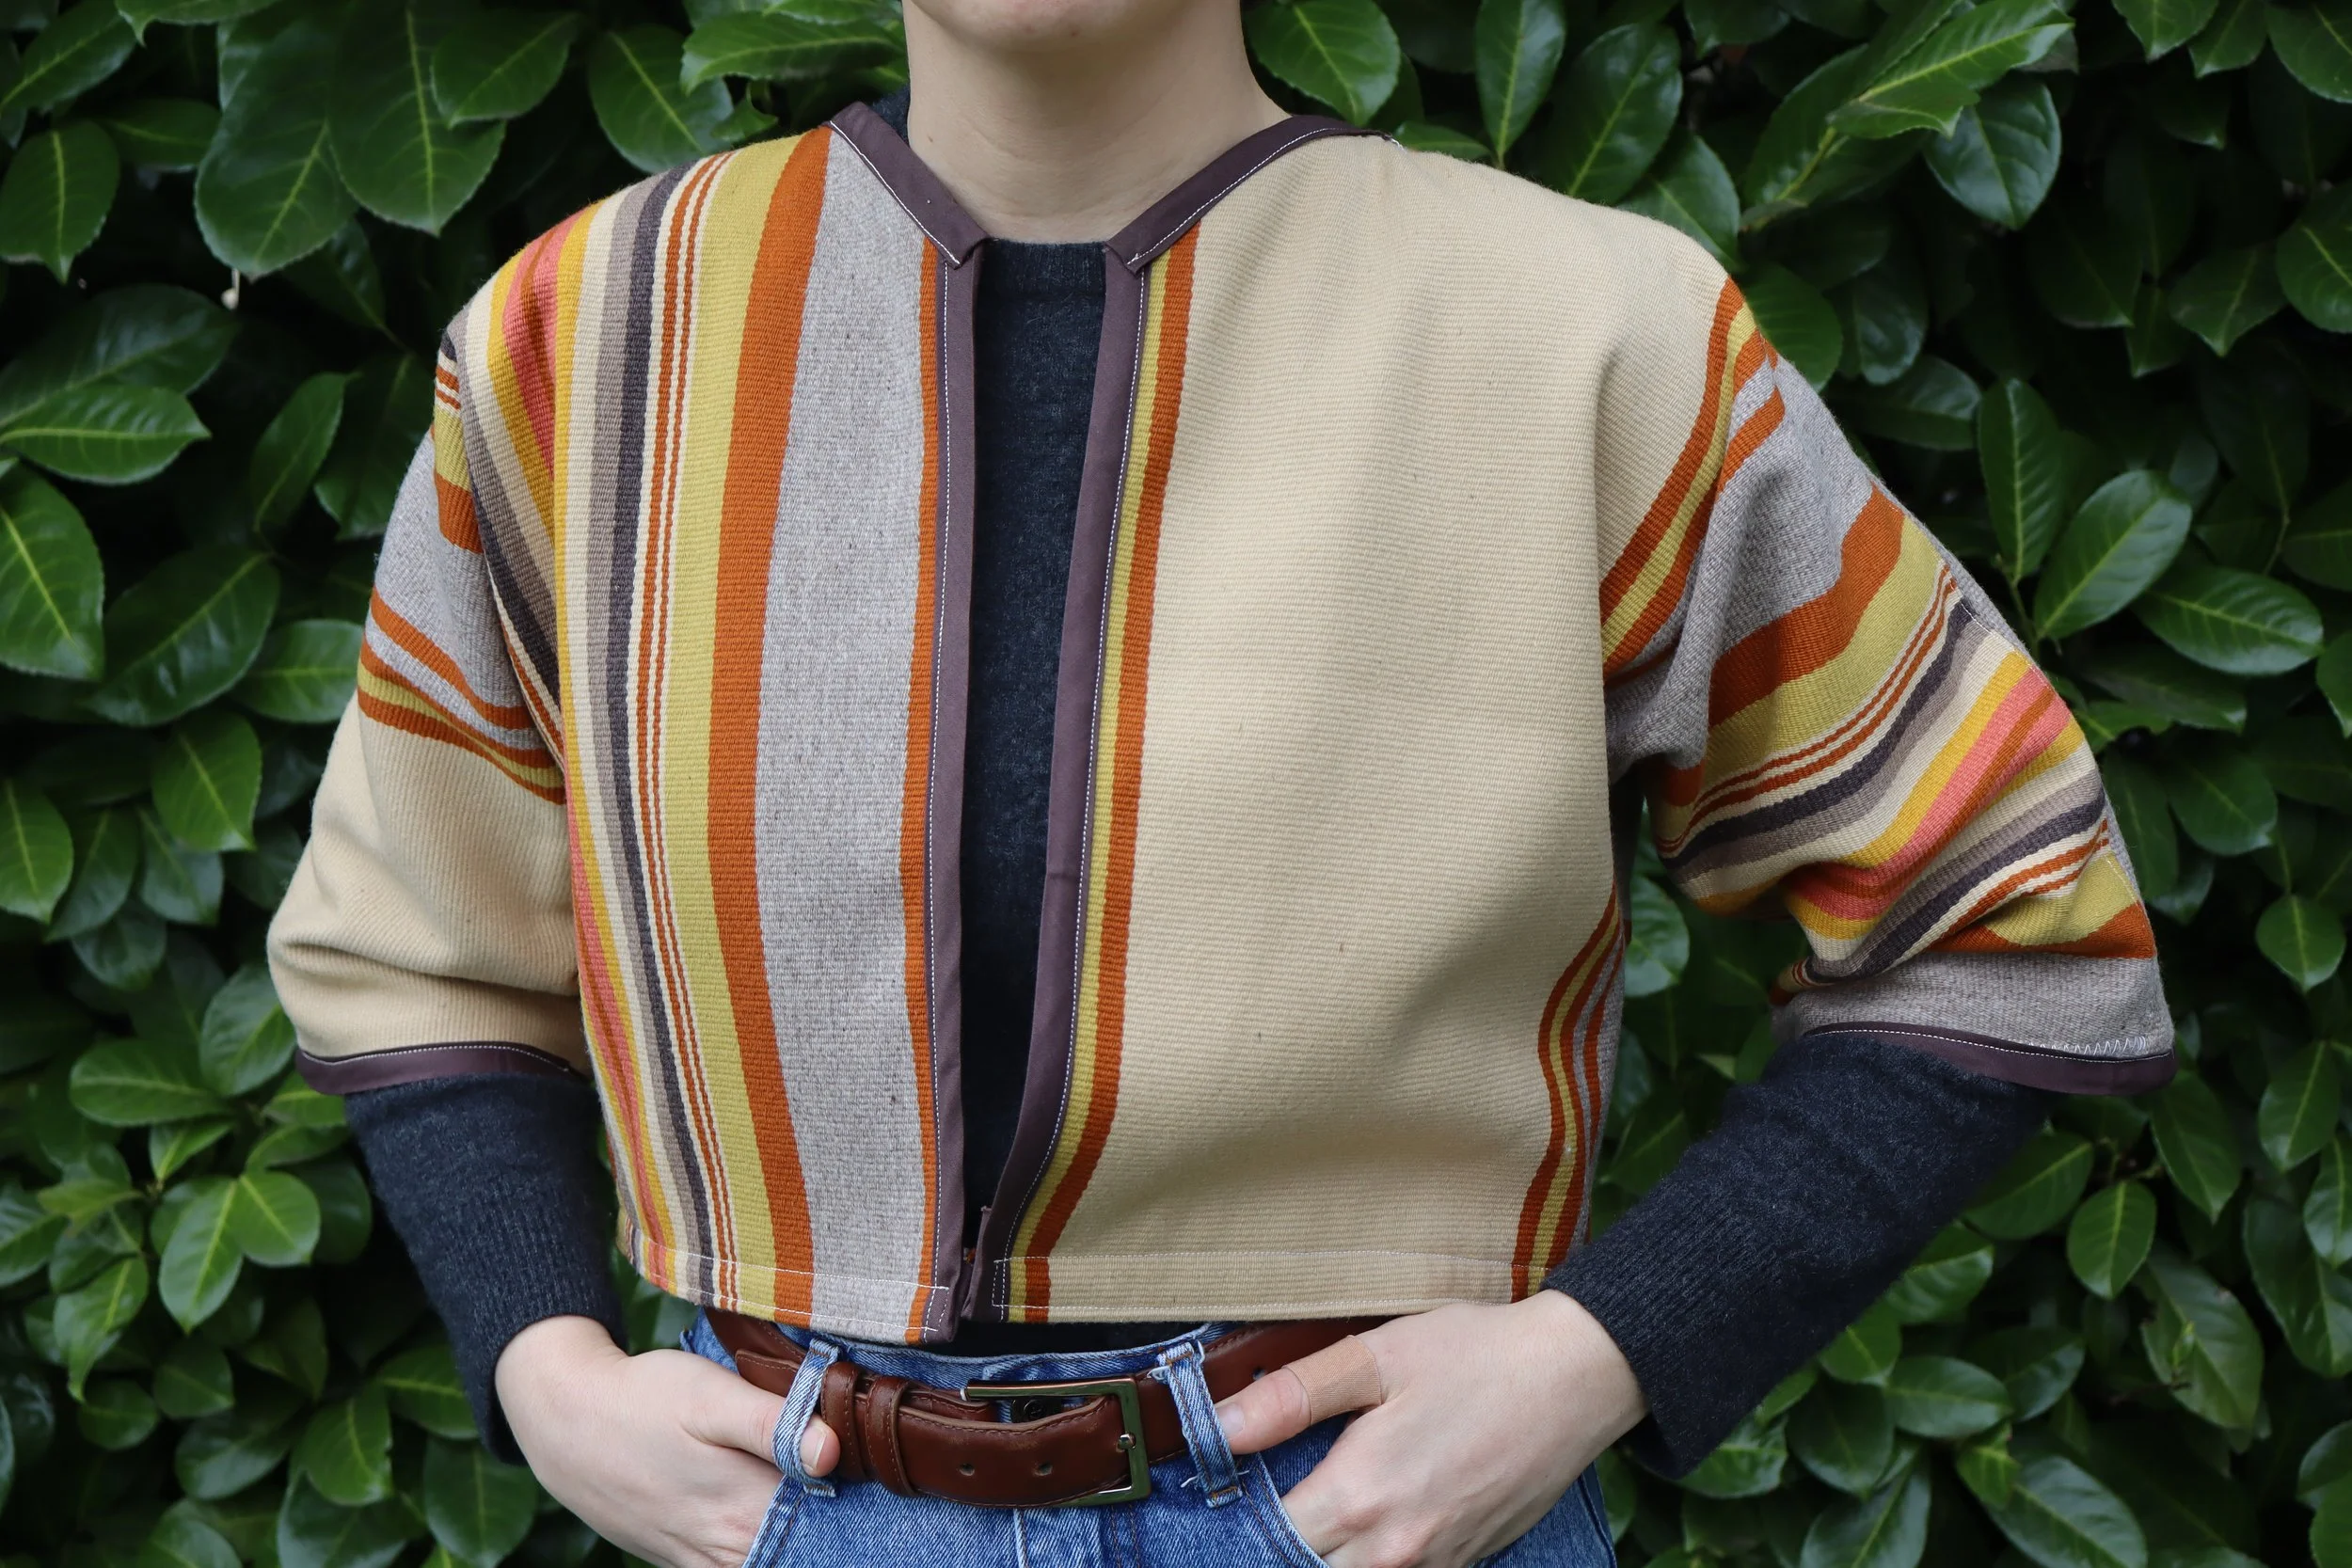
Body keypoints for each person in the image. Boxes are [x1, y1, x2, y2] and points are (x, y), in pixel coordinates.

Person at [262, 0, 2173, 1558]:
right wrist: (540, 1362)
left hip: (1366, 1510)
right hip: (779, 1503)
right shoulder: (587, 338)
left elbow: (2010, 913)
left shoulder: (1585, 334)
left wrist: (1601, 1350)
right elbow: (417, 944)